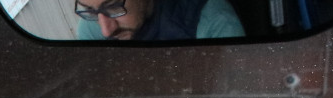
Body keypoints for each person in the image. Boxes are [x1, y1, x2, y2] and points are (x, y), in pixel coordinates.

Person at [74, 0, 245, 40]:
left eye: (113, 7)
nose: (106, 30)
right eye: (90, 11)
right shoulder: (91, 27)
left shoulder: (215, 24)